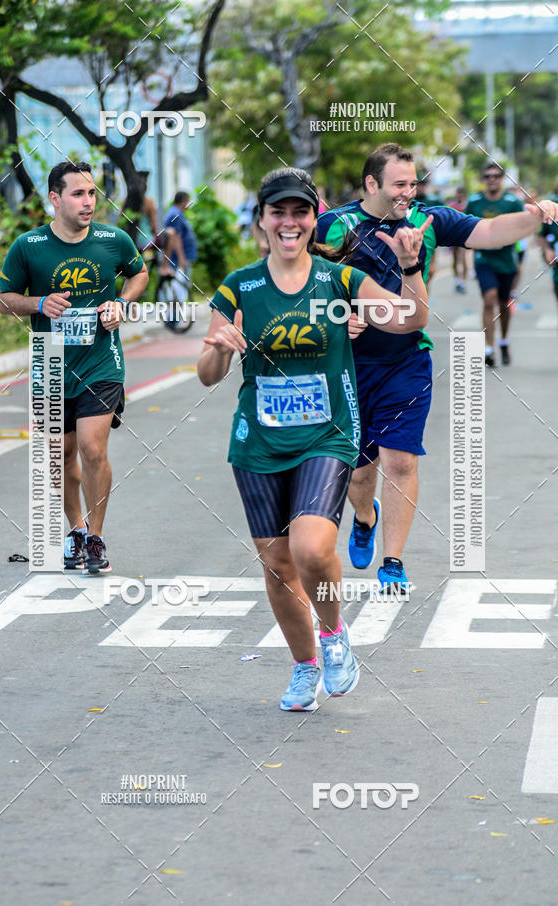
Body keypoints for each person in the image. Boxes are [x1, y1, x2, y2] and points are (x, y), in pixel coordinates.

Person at [197, 166, 430, 712]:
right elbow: (207, 373)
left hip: (326, 435)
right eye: (278, 211)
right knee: (277, 564)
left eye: (300, 212)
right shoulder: (240, 286)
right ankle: (304, 667)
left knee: (309, 548)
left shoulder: (338, 282)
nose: (289, 222)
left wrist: (411, 267)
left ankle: (332, 632)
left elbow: (410, 319)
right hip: (257, 443)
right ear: (261, 221)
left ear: (312, 219)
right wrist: (221, 347)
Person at [317, 143, 558, 594]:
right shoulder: (336, 226)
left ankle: (393, 561)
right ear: (372, 184)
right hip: (348, 365)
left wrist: (537, 214)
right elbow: (308, 284)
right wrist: (334, 318)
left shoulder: (426, 222)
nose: (408, 193)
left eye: (413, 184)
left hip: (407, 361)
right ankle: (364, 518)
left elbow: (489, 231)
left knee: (401, 460)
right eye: (398, 185)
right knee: (360, 470)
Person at [0, 161, 148, 574]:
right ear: (55, 198)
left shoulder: (112, 240)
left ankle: (96, 537)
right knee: (59, 454)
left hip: (101, 362)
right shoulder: (29, 246)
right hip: (51, 363)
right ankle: (76, 530)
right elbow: (3, 298)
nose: (88, 202)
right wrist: (38, 304)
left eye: (92, 193)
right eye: (79, 194)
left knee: (92, 448)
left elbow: (139, 274)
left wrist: (122, 302)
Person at [465, 163, 525, 367]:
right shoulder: (474, 202)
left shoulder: (513, 202)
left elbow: (523, 227)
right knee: (489, 299)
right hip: (484, 259)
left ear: (502, 179)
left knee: (503, 303)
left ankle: (504, 341)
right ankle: (488, 348)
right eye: (488, 175)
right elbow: (463, 228)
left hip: (506, 260)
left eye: (496, 175)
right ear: (483, 179)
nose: (492, 179)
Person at [164, 190, 198, 279]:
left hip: (182, 256)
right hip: (178, 257)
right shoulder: (175, 214)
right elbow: (176, 237)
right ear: (184, 201)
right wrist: (181, 258)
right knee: (180, 285)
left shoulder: (177, 213)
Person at [447, 187, 469, 293]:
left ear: (464, 195)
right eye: (458, 193)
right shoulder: (451, 205)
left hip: (464, 235)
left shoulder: (467, 205)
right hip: (453, 235)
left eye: (461, 193)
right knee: (455, 259)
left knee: (463, 258)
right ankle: (456, 280)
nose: (459, 195)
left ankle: (463, 282)